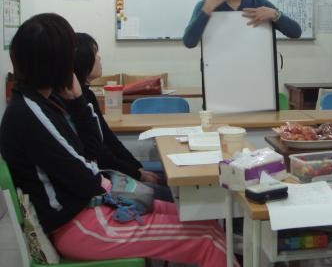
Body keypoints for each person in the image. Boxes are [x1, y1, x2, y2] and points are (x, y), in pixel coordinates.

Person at [0, 13, 236, 266]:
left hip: (90, 209)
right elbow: (86, 177)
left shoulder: (44, 102)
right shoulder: (30, 113)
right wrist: (113, 184)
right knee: (207, 238)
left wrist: (78, 103)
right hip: (79, 224)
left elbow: (90, 154)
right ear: (56, 62)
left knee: (204, 220)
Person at [73, 32, 172, 201]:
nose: (99, 58)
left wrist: (137, 169)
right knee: (173, 195)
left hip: (114, 173)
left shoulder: (88, 95)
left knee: (169, 184)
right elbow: (101, 153)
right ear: (83, 60)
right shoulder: (78, 102)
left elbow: (110, 139)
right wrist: (137, 174)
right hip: (106, 180)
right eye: (95, 53)